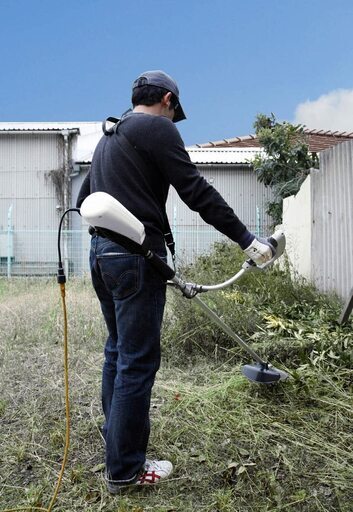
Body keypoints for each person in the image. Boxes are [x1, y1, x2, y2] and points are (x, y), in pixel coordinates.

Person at [76, 70, 273, 493]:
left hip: (100, 255)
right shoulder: (156, 129)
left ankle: (117, 443)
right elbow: (196, 191)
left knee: (118, 351)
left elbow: (82, 201)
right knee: (137, 361)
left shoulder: (108, 136)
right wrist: (247, 240)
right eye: (173, 111)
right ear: (167, 100)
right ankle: (125, 470)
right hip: (133, 259)